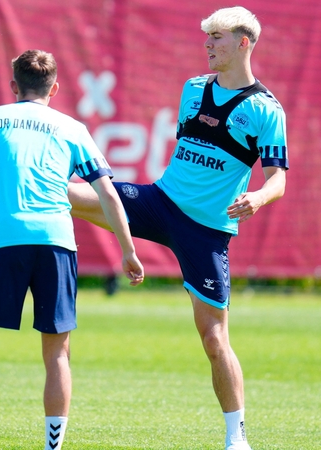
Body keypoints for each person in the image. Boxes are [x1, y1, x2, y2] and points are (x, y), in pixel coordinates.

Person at [69, 7, 286, 450]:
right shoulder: (192, 89)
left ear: (244, 42)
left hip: (206, 232)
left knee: (213, 338)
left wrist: (259, 197)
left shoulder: (266, 110)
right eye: (206, 37)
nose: (207, 44)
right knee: (61, 191)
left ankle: (236, 436)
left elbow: (278, 177)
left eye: (217, 38)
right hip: (159, 202)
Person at [0, 49, 144, 450]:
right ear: (55, 88)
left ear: (14, 86)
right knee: (57, 353)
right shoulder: (72, 127)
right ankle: (53, 448)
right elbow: (108, 194)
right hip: (57, 244)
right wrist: (128, 250)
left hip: (3, 243)